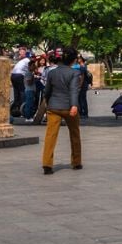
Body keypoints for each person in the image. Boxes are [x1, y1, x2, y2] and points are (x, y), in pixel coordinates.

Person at [41, 46, 82, 174]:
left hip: (53, 107)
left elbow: (47, 91)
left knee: (50, 136)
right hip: (69, 107)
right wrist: (74, 105)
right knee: (74, 134)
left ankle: (47, 164)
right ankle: (76, 162)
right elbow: (74, 90)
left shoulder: (52, 72)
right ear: (73, 60)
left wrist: (47, 101)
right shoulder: (75, 73)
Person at [11, 48, 30, 118]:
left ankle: (17, 104)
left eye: (22, 53)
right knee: (22, 91)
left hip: (14, 76)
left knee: (17, 91)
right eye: (20, 52)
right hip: (18, 76)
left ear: (25, 54)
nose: (20, 54)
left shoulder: (26, 60)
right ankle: (22, 105)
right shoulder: (23, 60)